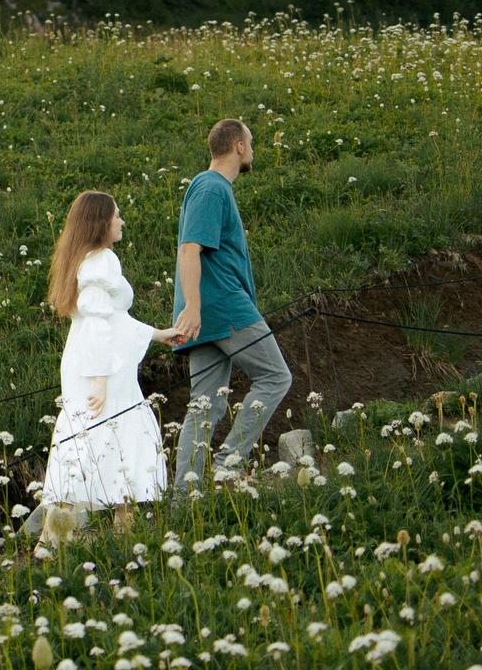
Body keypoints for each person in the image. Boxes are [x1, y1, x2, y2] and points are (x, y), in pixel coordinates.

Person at [168, 117, 293, 491]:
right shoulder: (211, 187)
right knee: (275, 377)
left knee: (205, 406)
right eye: (251, 143)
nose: (252, 150)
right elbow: (189, 249)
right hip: (221, 307)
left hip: (207, 312)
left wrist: (192, 309)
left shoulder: (207, 187)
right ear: (239, 146)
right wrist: (193, 307)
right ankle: (228, 465)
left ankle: (184, 497)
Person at [37, 191, 177, 522]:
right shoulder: (102, 259)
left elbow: (112, 319)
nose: (121, 221)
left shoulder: (81, 259)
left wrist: (157, 334)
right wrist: (101, 381)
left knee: (81, 444)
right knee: (119, 443)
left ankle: (51, 545)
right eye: (116, 215)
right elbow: (100, 323)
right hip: (103, 370)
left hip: (85, 363)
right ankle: (121, 543)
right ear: (101, 222)